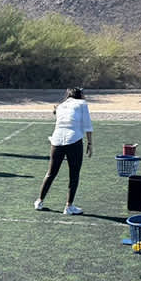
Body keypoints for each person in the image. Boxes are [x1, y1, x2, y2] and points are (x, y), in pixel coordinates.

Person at [33, 87, 93, 215]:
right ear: (79, 95)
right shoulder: (82, 104)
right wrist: (90, 143)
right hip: (74, 140)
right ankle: (69, 207)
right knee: (74, 174)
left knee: (51, 173)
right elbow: (88, 125)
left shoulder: (61, 106)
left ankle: (39, 201)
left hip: (56, 140)